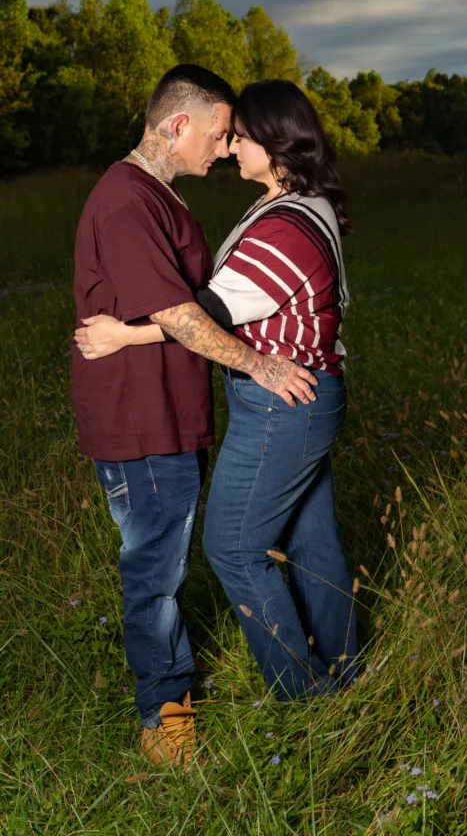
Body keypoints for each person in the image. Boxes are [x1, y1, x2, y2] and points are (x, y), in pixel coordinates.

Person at [76, 79, 359, 704]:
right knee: (305, 539)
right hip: (262, 397)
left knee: (233, 546)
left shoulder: (284, 221)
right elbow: (196, 308)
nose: (228, 148)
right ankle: (338, 671)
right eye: (223, 134)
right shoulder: (274, 204)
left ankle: (305, 691)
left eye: (239, 136)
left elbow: (205, 310)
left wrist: (125, 334)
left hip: (281, 397)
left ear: (276, 143)